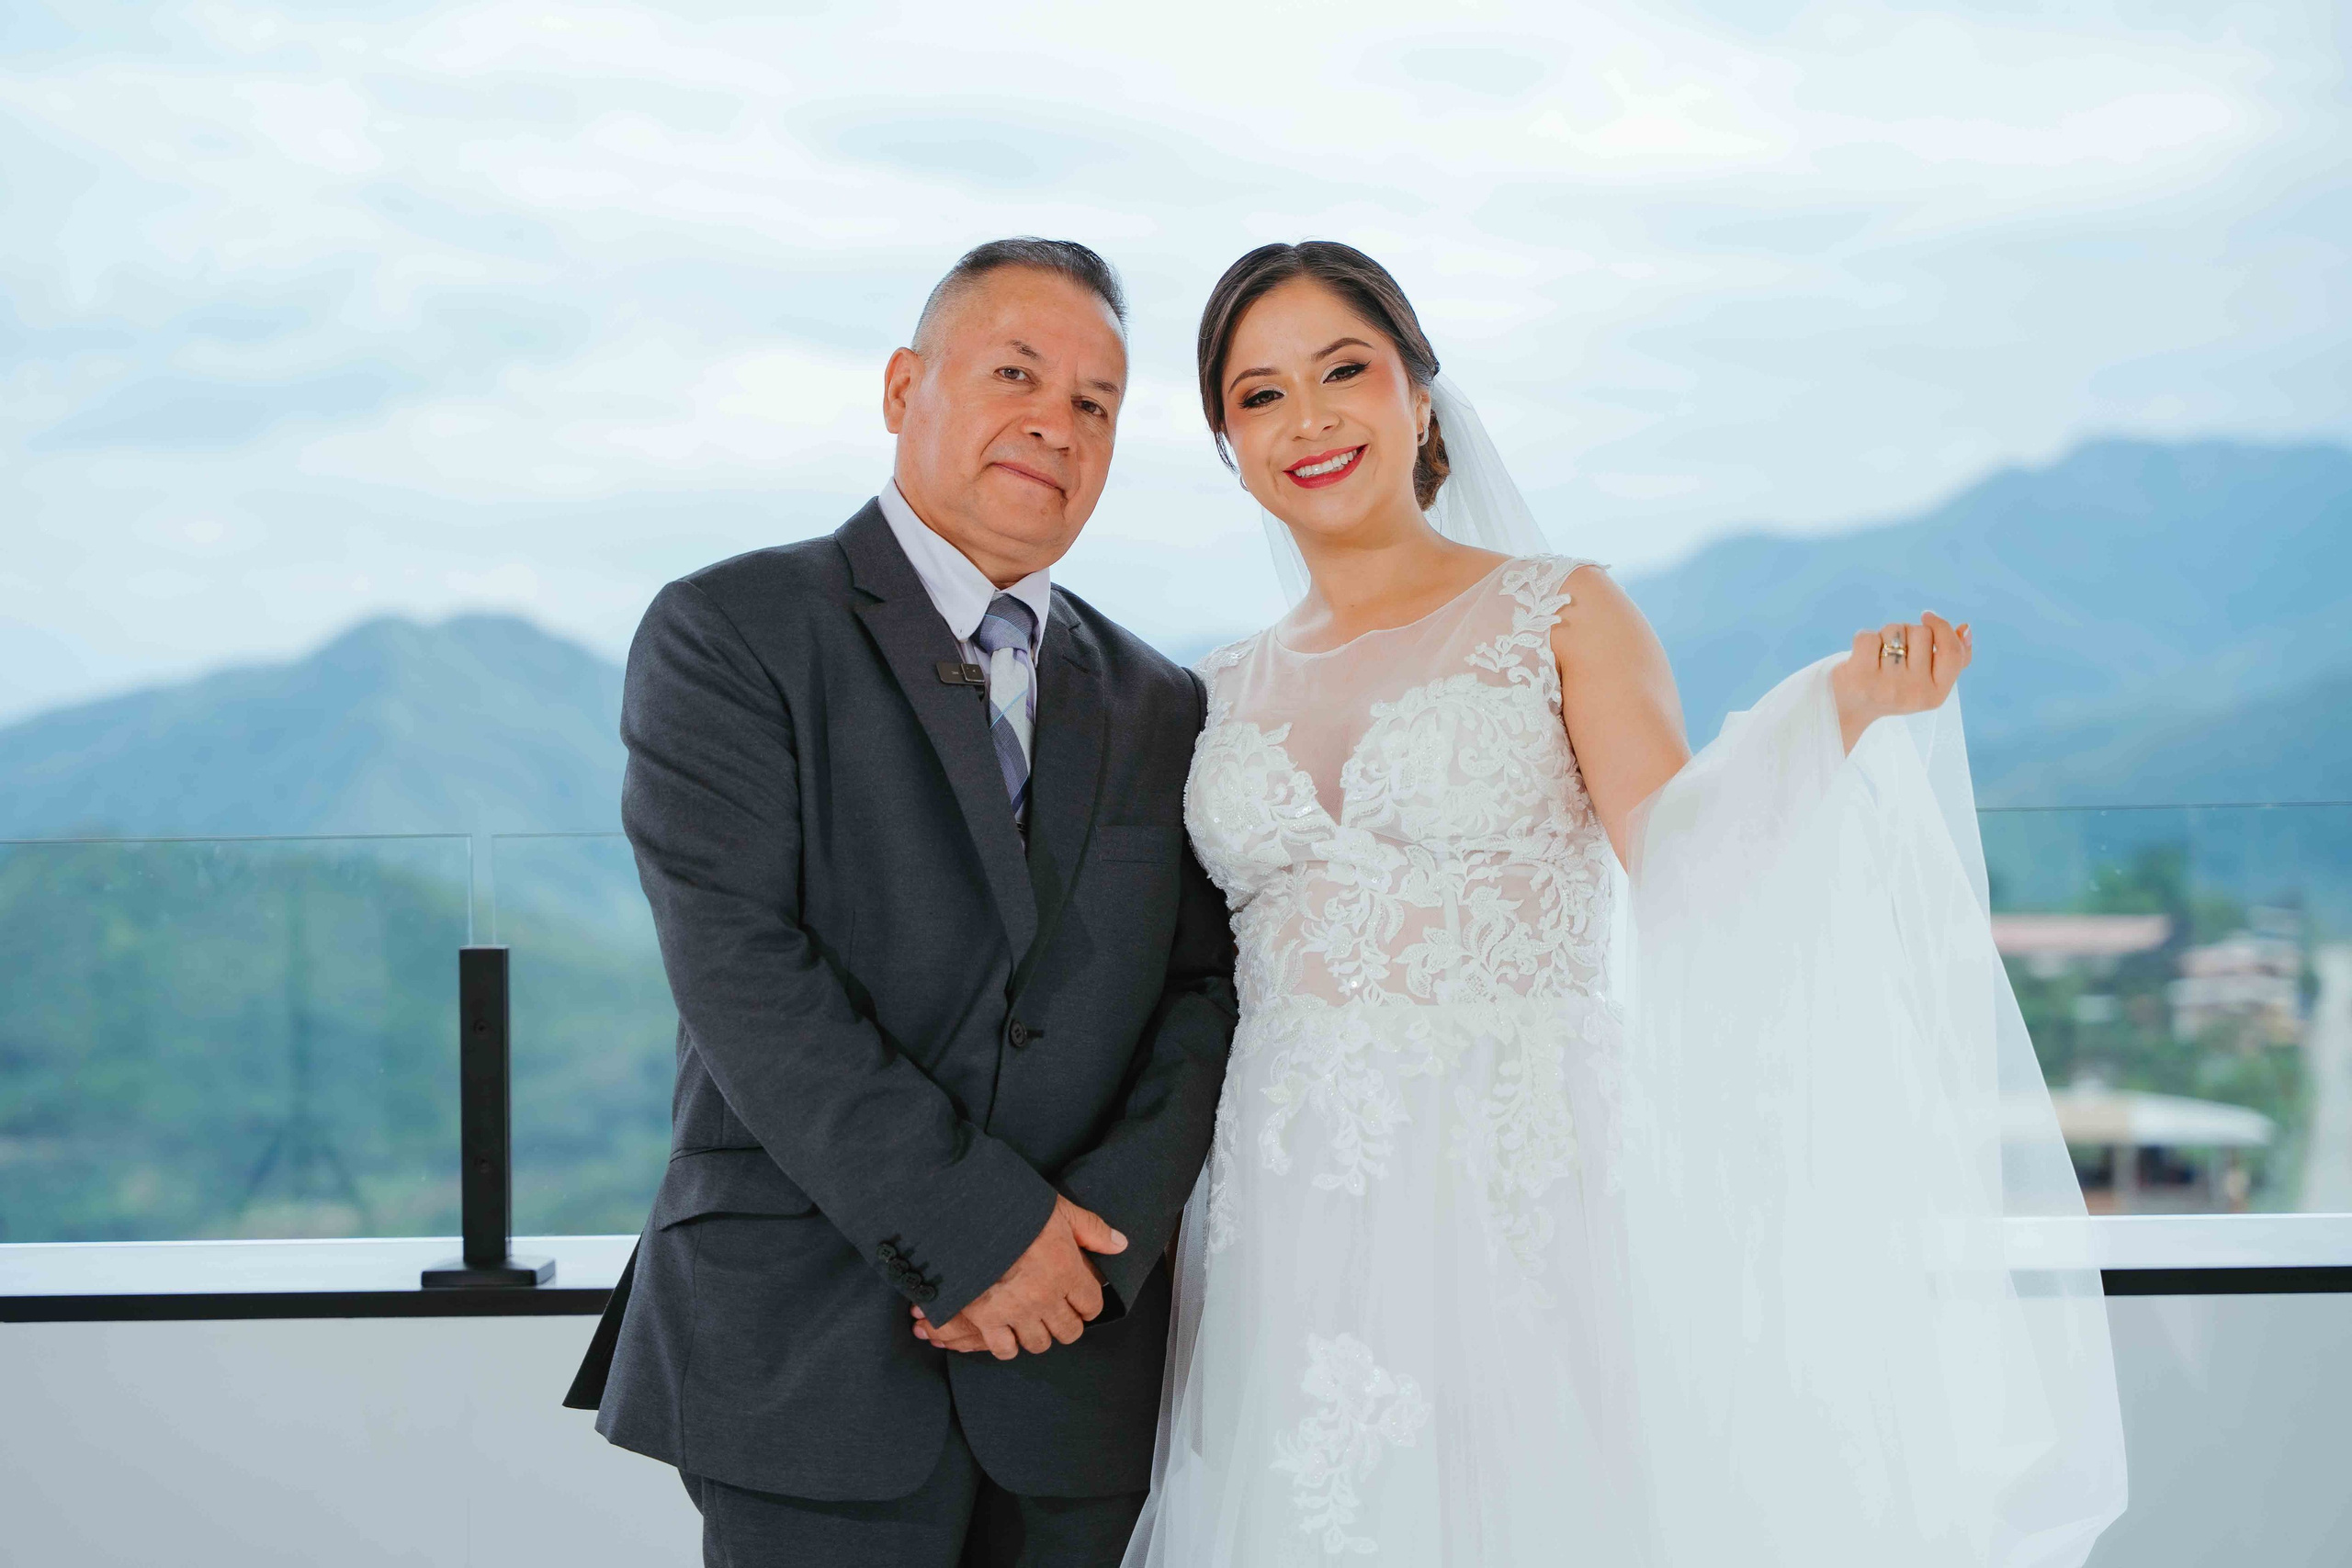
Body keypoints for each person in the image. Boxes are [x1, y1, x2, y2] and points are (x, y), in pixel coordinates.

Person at [1118, 242, 2127, 1565]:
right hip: (1283, 1220)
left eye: (1343, 370)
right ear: (1227, 445)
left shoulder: (1558, 613)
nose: (1306, 419)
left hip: (1516, 1198)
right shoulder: (1216, 690)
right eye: (1258, 396)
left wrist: (1831, 710)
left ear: (1420, 393)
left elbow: (1683, 855)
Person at [563, 238, 1239, 1568]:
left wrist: (1087, 1258)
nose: (1057, 420)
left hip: (1078, 1371)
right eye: (1016, 372)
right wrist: (987, 1237)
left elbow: (1203, 993)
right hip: (808, 1356)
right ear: (900, 387)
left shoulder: (1164, 701)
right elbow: (748, 976)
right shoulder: (731, 631)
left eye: (1097, 403)